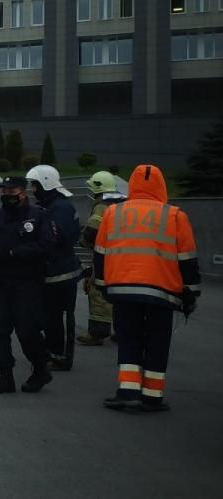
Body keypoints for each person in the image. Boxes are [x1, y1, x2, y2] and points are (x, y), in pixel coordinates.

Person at [96, 164, 200, 413]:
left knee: (128, 339)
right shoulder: (175, 215)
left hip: (122, 289)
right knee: (157, 341)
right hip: (162, 292)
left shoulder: (113, 213)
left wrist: (101, 285)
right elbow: (187, 258)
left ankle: (127, 393)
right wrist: (190, 292)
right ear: (161, 187)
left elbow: (100, 253)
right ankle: (152, 396)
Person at [0, 177, 58, 394]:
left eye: (12, 190)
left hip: (27, 283)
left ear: (23, 193)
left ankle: (40, 369)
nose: (7, 194)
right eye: (4, 190)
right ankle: (5, 375)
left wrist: (17, 253)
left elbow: (47, 245)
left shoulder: (39, 217)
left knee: (28, 331)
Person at [25, 165, 81, 371]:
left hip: (62, 272)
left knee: (61, 316)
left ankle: (61, 356)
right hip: (50, 271)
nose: (32, 189)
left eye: (34, 185)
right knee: (48, 316)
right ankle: (50, 351)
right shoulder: (52, 205)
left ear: (44, 184)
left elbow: (59, 238)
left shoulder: (60, 207)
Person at [76, 171, 127, 346]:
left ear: (97, 187)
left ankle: (98, 333)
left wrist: (83, 241)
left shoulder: (102, 206)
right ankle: (123, 332)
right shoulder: (124, 202)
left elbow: (91, 232)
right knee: (122, 296)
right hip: (125, 258)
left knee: (98, 294)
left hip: (105, 257)